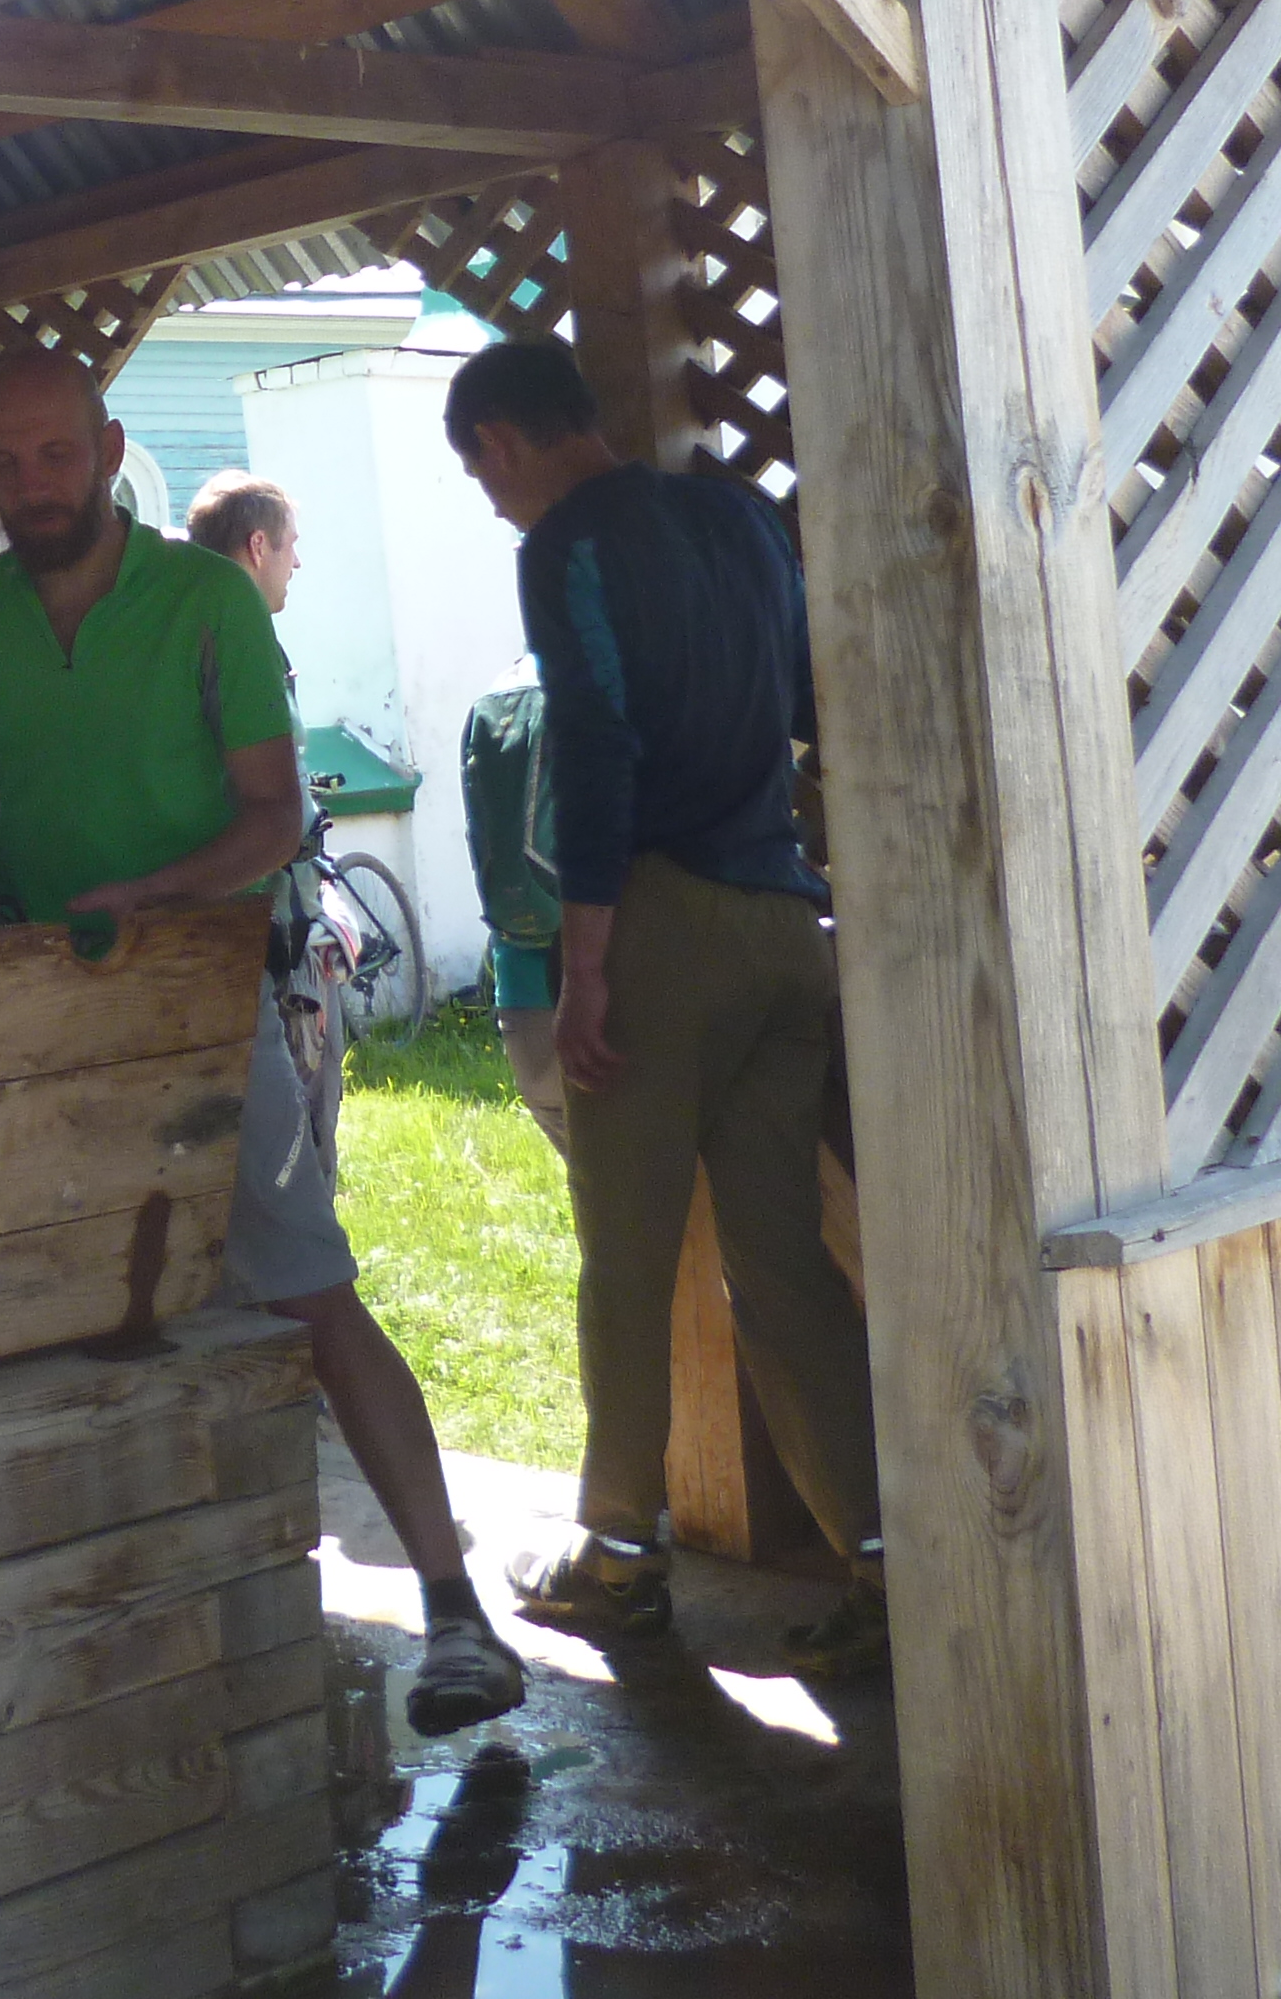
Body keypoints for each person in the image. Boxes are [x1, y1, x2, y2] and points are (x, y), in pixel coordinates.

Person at [0, 352, 528, 1735]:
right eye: (6, 463)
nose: (32, 486)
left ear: (108, 450)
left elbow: (275, 817)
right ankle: (130, 1631)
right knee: (74, 1314)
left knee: (307, 1285)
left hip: (199, 995)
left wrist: (150, 897)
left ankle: (454, 1612)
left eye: (56, 456)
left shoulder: (206, 601)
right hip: (38, 1013)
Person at [444, 333, 883, 1677]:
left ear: (503, 441)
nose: (493, 504)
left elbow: (595, 743)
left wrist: (585, 965)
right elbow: (806, 699)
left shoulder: (566, 544)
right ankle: (886, 1559)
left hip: (662, 928)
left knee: (626, 1264)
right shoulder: (741, 521)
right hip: (781, 926)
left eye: (483, 477)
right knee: (783, 1263)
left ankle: (622, 1561)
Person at [455, 653, 573, 1157]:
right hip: (607, 984)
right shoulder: (604, 683)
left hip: (520, 989)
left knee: (587, 1179)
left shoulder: (495, 696)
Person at [186, 470, 301, 616]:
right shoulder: (243, 629)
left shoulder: (178, 621)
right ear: (258, 546)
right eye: (291, 545)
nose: (296, 563)